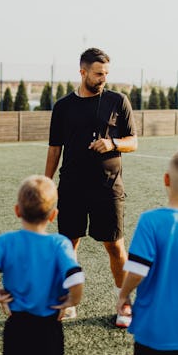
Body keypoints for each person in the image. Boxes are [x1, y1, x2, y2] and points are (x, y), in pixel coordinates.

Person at [45, 47, 138, 326]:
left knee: (115, 246)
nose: (103, 78)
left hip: (108, 187)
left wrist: (112, 143)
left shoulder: (118, 101)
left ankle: (123, 303)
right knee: (69, 244)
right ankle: (70, 301)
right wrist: (46, 184)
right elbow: (54, 149)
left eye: (107, 73)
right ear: (82, 71)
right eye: (98, 73)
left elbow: (133, 141)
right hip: (71, 186)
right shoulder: (63, 106)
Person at [0, 175, 84, 355]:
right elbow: (76, 278)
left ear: (17, 211)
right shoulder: (60, 244)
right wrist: (72, 300)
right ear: (53, 215)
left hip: (17, 326)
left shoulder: (7, 241)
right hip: (49, 328)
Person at [117, 146, 178, 355]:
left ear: (166, 180)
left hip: (153, 333)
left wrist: (123, 294)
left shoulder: (151, 221)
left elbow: (138, 271)